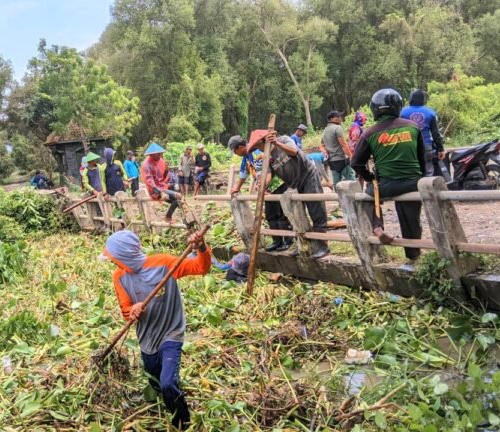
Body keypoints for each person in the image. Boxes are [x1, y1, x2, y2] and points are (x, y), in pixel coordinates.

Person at [101, 229, 210, 429]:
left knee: (167, 382)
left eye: (114, 258)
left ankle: (182, 421)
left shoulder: (163, 264)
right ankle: (165, 397)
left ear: (125, 255)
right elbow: (125, 310)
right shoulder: (119, 277)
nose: (112, 262)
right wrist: (133, 310)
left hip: (171, 330)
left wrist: (201, 248)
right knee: (154, 377)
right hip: (147, 336)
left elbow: (200, 268)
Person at [352, 88, 426, 261]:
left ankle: (378, 226)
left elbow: (356, 163)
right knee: (411, 218)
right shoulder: (413, 127)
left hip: (386, 186)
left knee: (369, 195)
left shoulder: (369, 133)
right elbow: (423, 159)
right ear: (398, 106)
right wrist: (419, 178)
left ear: (374, 109)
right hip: (413, 184)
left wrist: (370, 177)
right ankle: (413, 253)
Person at [229, 131, 330, 259]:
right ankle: (304, 245)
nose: (260, 150)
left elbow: (294, 151)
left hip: (308, 176)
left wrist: (276, 143)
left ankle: (323, 246)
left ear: (265, 141)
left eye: (260, 147)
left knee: (316, 210)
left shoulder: (283, 140)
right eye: (258, 149)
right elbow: (269, 174)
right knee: (297, 215)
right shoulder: (267, 157)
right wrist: (263, 185)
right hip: (293, 184)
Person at [400, 89, 445, 177]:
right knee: (428, 173)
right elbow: (435, 133)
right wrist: (440, 149)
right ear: (423, 100)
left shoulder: (403, 113)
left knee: (411, 173)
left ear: (411, 99)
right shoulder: (430, 113)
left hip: (409, 147)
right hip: (426, 146)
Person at [142, 143, 182, 224]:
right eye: (158, 154)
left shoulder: (161, 161)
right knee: (178, 195)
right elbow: (149, 181)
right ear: (152, 154)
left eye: (161, 153)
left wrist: (168, 182)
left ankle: (168, 217)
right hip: (154, 190)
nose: (160, 155)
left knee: (178, 200)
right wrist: (160, 192)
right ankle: (168, 217)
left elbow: (165, 174)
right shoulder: (146, 165)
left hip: (162, 186)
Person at [320, 111, 356, 185]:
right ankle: (352, 196)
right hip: (342, 159)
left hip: (332, 161)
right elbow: (343, 144)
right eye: (338, 116)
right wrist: (351, 156)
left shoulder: (325, 130)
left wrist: (326, 153)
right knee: (351, 180)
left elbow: (321, 145)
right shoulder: (337, 128)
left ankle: (338, 196)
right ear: (332, 119)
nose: (340, 118)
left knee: (336, 182)